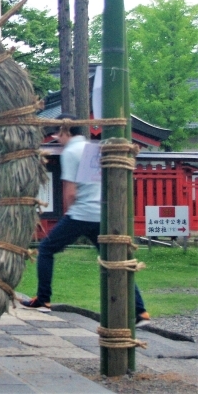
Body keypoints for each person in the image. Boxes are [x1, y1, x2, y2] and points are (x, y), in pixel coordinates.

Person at [20, 114, 151, 326]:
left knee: (46, 249)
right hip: (99, 211)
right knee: (115, 260)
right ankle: (140, 311)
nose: (55, 136)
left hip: (81, 212)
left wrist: (69, 216)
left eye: (56, 131)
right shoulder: (92, 148)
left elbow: (70, 190)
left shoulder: (70, 152)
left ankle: (43, 299)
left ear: (65, 130)